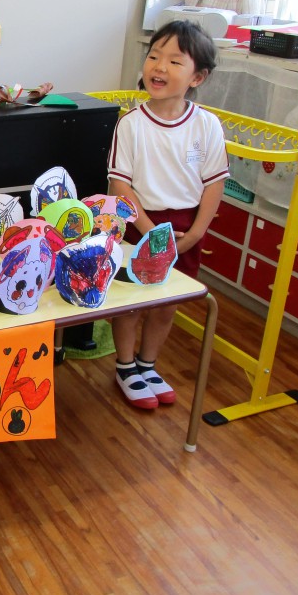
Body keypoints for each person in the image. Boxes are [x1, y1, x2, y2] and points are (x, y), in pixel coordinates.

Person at [106, 20, 228, 409]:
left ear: (198, 77)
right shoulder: (131, 124)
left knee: (166, 302)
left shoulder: (207, 125)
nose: (159, 67)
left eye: (175, 61)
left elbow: (214, 185)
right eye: (154, 56)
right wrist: (148, 232)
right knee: (130, 301)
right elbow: (119, 188)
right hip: (138, 225)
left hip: (186, 227)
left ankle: (148, 363)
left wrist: (194, 234)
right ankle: (125, 366)